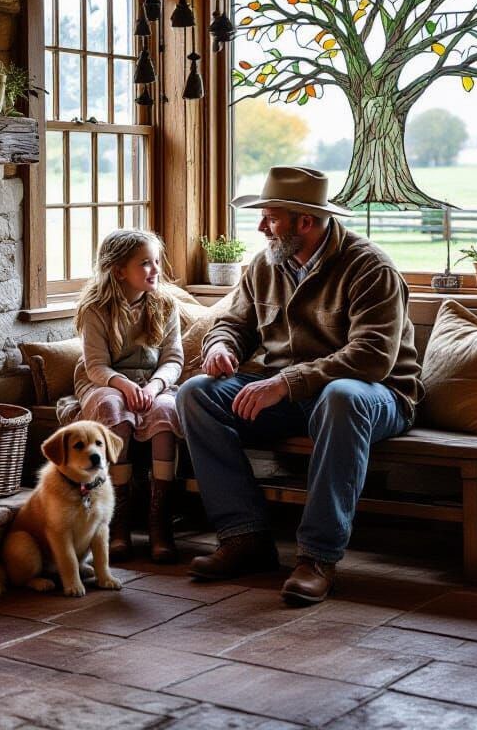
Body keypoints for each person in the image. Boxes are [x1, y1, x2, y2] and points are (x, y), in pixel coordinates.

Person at [176, 167, 423, 605]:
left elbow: (372, 357)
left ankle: (318, 557)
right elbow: (233, 322)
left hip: (377, 396)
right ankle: (244, 538)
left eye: (270, 217)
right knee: (195, 393)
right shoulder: (264, 265)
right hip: (292, 396)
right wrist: (220, 346)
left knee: (341, 396)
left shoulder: (369, 267)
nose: (260, 227)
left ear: (304, 221)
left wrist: (286, 383)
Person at [74, 229, 184, 563]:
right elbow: (96, 366)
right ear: (120, 270)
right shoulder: (96, 308)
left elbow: (173, 360)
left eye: (156, 262)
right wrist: (124, 385)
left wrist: (153, 388)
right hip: (105, 383)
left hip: (153, 383)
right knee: (112, 406)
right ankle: (117, 522)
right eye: (145, 264)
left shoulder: (165, 304)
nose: (155, 270)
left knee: (166, 411)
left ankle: (158, 521)